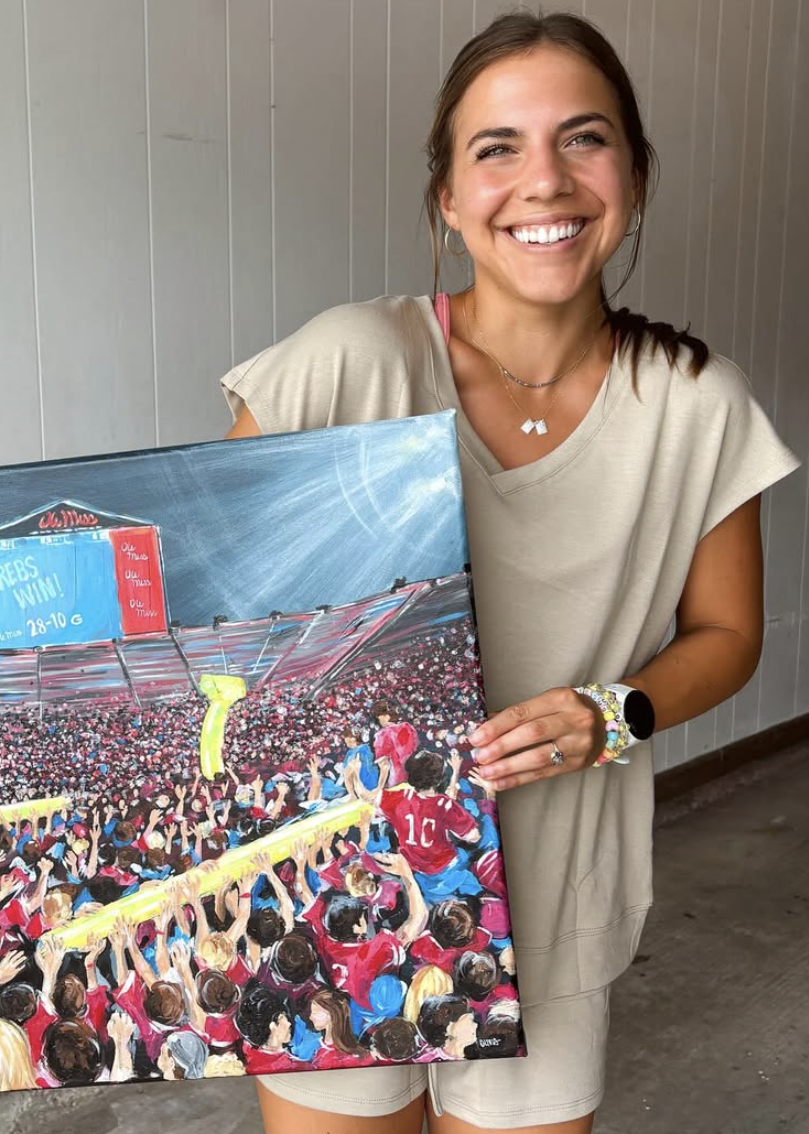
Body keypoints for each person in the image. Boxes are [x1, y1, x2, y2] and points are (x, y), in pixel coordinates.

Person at [222, 10, 798, 1134]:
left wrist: (612, 714)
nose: (545, 180)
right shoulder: (344, 363)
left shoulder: (695, 401)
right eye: (498, 148)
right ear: (447, 193)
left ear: (632, 173)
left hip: (557, 889)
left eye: (584, 140)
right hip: (340, 886)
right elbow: (209, 603)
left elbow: (728, 635)